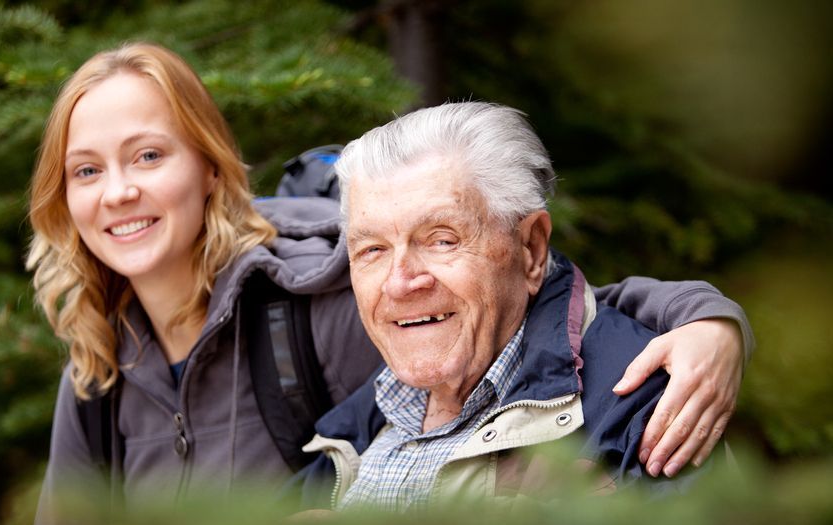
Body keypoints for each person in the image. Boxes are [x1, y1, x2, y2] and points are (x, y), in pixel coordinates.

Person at [25, 43, 751, 521]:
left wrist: (704, 322)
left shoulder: (310, 306)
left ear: (210, 167)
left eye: (148, 155)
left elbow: (552, 312)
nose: (117, 191)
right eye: (86, 169)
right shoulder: (100, 365)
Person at [295, 101, 740, 511]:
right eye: (372, 250)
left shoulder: (649, 404)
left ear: (530, 248)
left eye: (442, 240)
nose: (399, 282)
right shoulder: (352, 424)